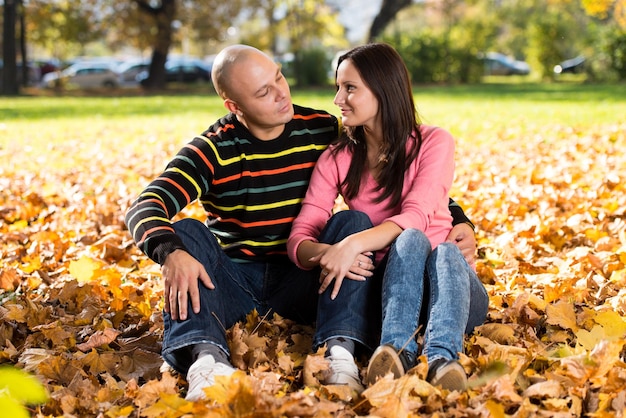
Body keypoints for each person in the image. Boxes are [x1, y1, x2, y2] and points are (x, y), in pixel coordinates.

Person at [124, 44, 478, 401]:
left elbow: (411, 184)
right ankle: (207, 362)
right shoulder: (211, 151)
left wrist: (459, 219)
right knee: (186, 233)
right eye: (264, 92)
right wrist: (169, 252)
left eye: (279, 77)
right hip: (235, 283)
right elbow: (145, 205)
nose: (281, 94)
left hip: (303, 282)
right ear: (234, 106)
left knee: (351, 221)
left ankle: (339, 353)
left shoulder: (321, 130)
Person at [287, 43, 489, 393]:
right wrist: (328, 253)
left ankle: (443, 358)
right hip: (390, 295)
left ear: (383, 89)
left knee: (425, 244)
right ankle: (397, 353)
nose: (338, 99)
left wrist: (350, 245)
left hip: (453, 293)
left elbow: (415, 216)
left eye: (350, 88)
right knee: (394, 238)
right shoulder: (337, 157)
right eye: (338, 87)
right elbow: (301, 235)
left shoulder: (434, 142)